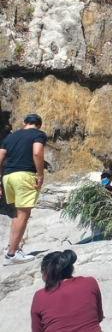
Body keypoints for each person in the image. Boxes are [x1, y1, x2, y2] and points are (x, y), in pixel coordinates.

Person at [0, 113, 46, 266]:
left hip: (8, 177)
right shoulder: (38, 134)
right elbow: (37, 152)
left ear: (24, 123)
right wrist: (40, 175)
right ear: (39, 125)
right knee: (24, 214)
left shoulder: (10, 137)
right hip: (25, 175)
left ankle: (12, 247)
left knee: (17, 213)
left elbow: (0, 158)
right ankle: (12, 254)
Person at [31, 250, 103, 332]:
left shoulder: (40, 296)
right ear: (71, 268)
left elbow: (37, 329)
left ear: (46, 273)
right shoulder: (90, 282)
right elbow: (98, 317)